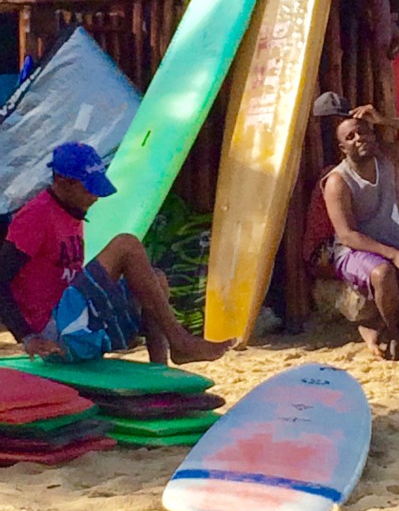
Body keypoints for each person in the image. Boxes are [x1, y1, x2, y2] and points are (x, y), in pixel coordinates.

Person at [0, 142, 233, 365]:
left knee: (156, 279)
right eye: (88, 189)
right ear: (62, 181)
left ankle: (161, 366)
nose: (95, 197)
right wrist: (27, 337)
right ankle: (180, 341)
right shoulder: (35, 217)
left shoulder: (71, 209)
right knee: (126, 245)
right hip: (54, 331)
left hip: (72, 320)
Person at [315, 93, 399, 359]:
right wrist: (394, 254)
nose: (359, 139)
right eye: (351, 138)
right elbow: (347, 235)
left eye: (363, 132)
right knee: (382, 273)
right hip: (354, 254)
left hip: (392, 249)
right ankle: (394, 333)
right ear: (342, 148)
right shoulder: (338, 181)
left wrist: (385, 119)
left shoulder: (385, 157)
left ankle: (383, 323)